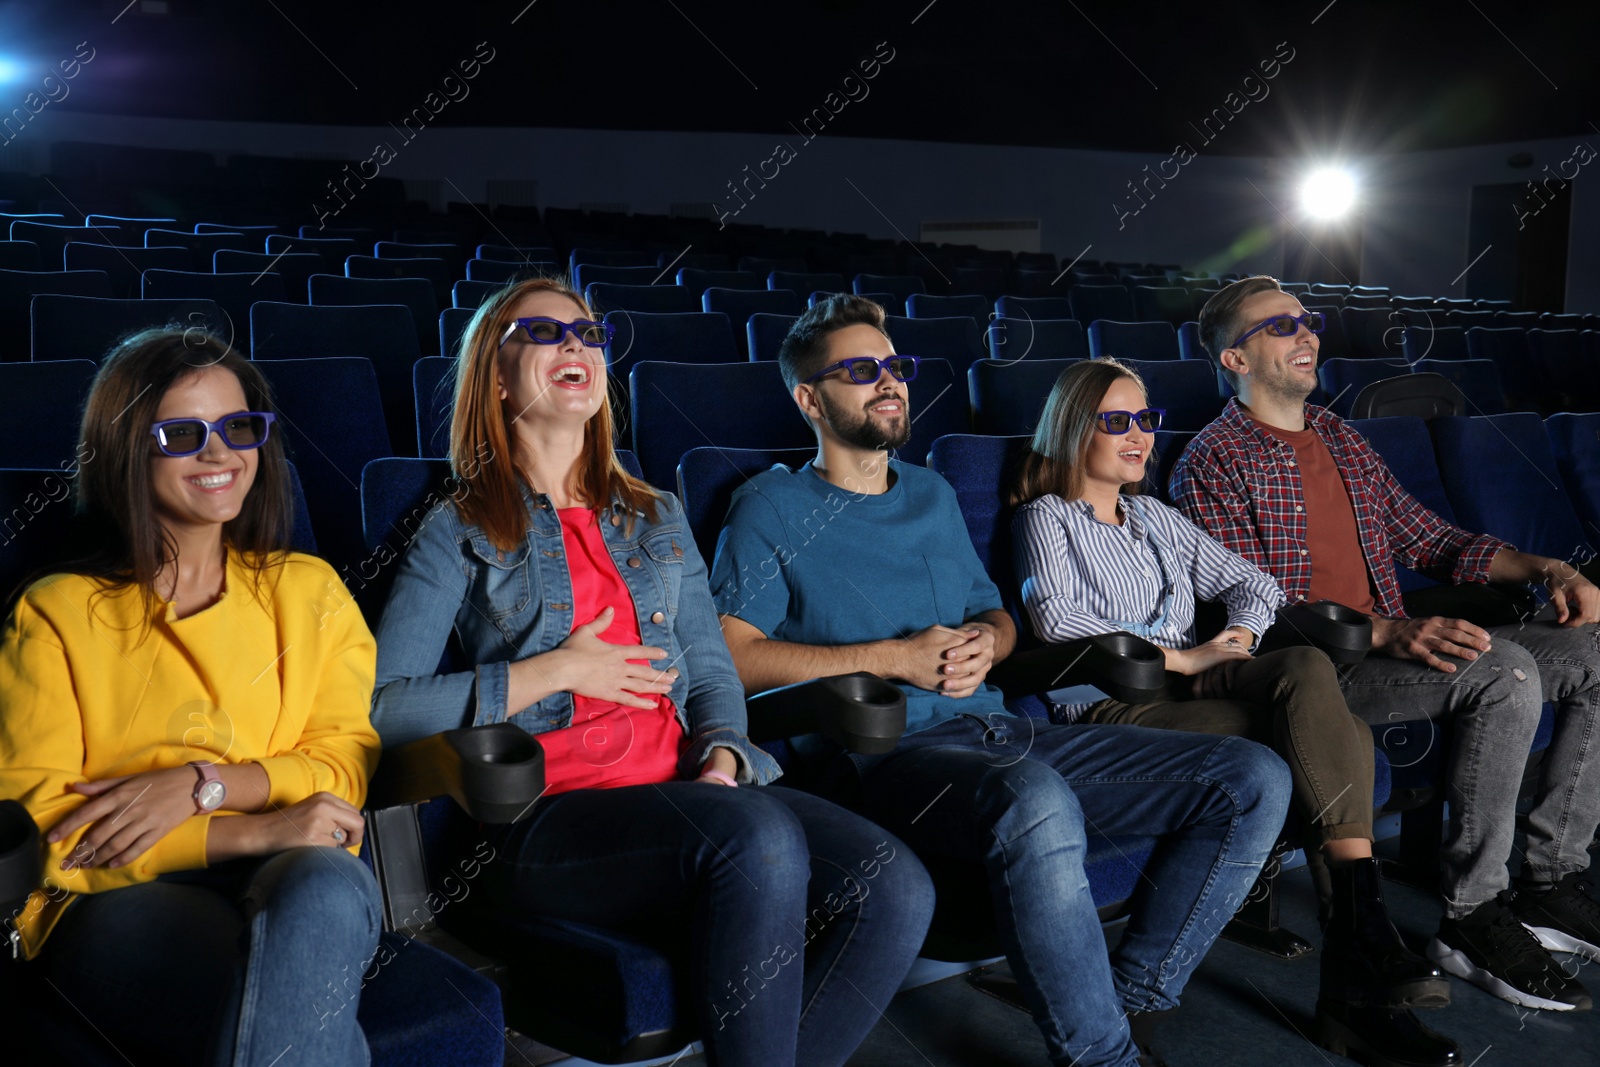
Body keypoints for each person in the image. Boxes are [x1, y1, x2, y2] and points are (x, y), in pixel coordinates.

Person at [708, 294, 1292, 1067]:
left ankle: (1133, 1000)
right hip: (882, 756)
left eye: (893, 367)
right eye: (860, 371)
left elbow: (992, 611)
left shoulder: (932, 493)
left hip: (1000, 733)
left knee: (1252, 777)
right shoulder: (770, 506)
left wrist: (989, 638)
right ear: (809, 399)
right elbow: (732, 655)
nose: (889, 383)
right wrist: (893, 657)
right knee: (1036, 798)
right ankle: (1103, 1058)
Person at [368, 278, 933, 1067]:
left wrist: (726, 753)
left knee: (893, 886)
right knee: (761, 835)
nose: (577, 345)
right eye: (545, 332)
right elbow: (382, 709)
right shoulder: (457, 525)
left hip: (685, 797)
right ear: (496, 377)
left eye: (590, 335)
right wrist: (554, 670)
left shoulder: (655, 512)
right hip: (548, 822)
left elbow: (708, 669)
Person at [1010, 356, 1459, 1065]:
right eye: (1116, 421)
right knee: (1322, 747)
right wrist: (1183, 656)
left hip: (1193, 692)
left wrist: (1239, 637)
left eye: (1146, 420)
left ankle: (1360, 924)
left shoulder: (1155, 516)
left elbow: (1256, 582)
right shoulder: (1047, 517)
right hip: (1114, 712)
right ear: (1072, 430)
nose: (1138, 436)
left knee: (1305, 666)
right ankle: (1359, 961)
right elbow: (1057, 620)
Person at [1171, 274, 1600, 1013]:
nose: (1306, 334)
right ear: (1234, 360)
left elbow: (1429, 538)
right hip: (1319, 670)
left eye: (1308, 320)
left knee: (1593, 650)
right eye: (1280, 327)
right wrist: (1389, 630)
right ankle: (1471, 915)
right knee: (1510, 674)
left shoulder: (1340, 435)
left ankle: (1550, 881)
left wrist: (1550, 568)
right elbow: (1256, 602)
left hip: (1394, 646)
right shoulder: (1213, 460)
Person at [0, 330, 383, 1065]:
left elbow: (344, 761)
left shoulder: (311, 591)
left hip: (293, 875)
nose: (220, 454)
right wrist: (257, 826)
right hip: (107, 902)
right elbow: (49, 832)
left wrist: (203, 786)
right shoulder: (55, 611)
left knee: (329, 884)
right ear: (125, 449)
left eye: (240, 428)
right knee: (289, 993)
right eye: (182, 434)